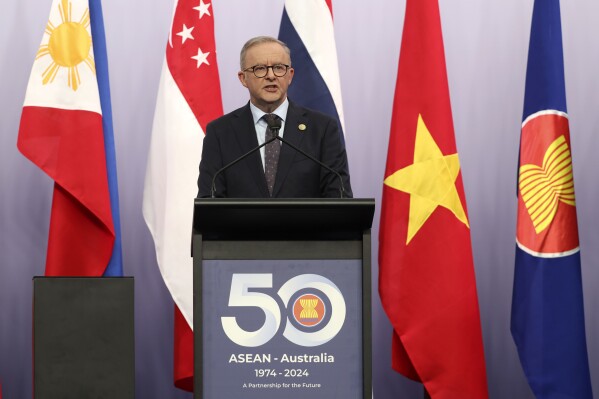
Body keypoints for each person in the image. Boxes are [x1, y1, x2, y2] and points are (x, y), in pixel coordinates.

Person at [197, 36, 352, 198]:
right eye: (260, 68)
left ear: (290, 75)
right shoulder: (220, 133)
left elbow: (339, 197)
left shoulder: (323, 129)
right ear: (243, 78)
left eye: (279, 68)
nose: (271, 76)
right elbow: (209, 201)